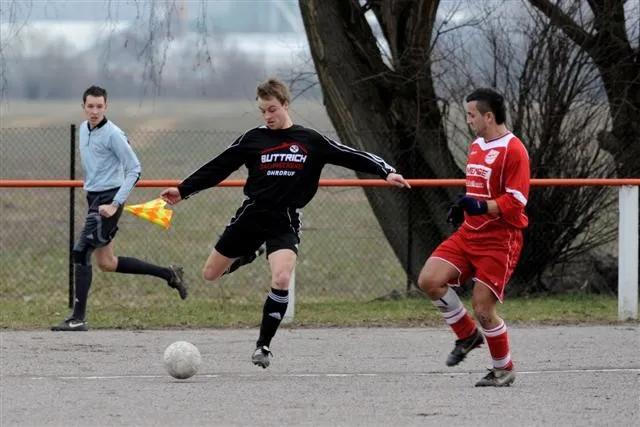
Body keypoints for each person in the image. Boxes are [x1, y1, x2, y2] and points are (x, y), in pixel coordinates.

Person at [160, 77, 410, 368]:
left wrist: (386, 171)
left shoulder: (310, 140)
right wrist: (183, 190)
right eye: (263, 111)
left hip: (285, 220)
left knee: (280, 278)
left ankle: (263, 346)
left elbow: (350, 155)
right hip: (251, 215)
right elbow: (218, 166)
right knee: (210, 274)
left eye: (272, 110)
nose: (267, 116)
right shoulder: (253, 139)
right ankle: (251, 253)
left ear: (285, 105)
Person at [417, 88, 530, 387]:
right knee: (429, 280)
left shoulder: (514, 150)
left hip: (500, 239)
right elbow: (477, 189)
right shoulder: (478, 144)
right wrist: (463, 206)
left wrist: (481, 206)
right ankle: (467, 336)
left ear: (488, 116)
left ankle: (503, 369)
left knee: (482, 308)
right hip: (470, 233)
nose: (468, 120)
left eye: (471, 115)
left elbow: (517, 201)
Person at [52, 86, 188, 332]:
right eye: (90, 106)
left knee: (81, 252)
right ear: (83, 107)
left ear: (106, 107)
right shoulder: (83, 129)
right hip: (94, 199)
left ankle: (78, 318)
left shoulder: (113, 134)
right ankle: (169, 274)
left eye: (99, 106)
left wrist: (115, 204)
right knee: (107, 262)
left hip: (108, 200)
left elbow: (135, 169)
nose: (95, 111)